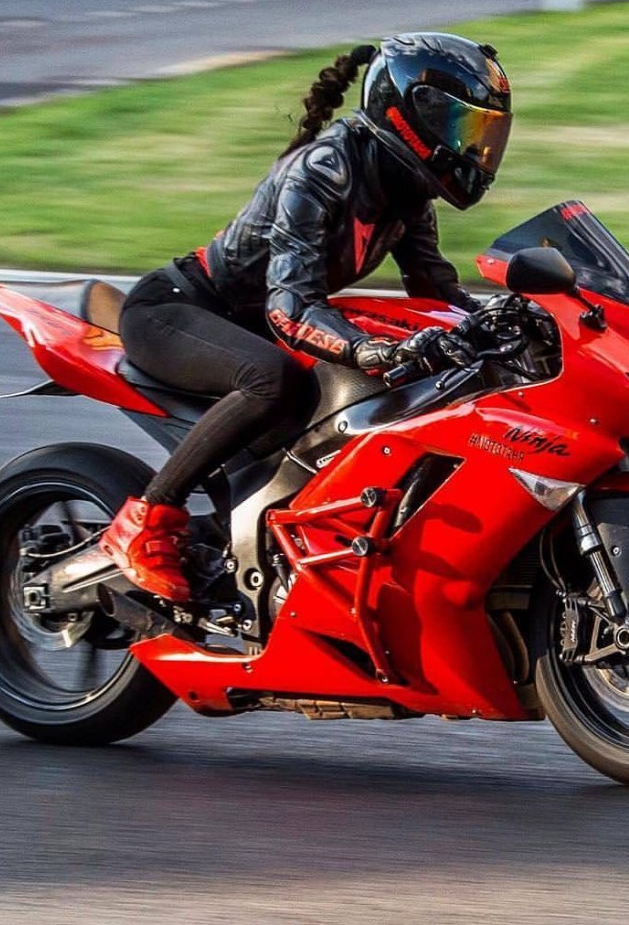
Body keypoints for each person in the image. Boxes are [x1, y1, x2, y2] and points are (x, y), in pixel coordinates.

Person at [100, 32, 513, 602]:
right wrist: (366, 347)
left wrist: (511, 317)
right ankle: (145, 519)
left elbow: (436, 292)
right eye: (461, 129)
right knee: (274, 380)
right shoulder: (326, 167)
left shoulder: (407, 194)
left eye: (484, 134)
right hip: (178, 309)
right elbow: (290, 306)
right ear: (410, 115)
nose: (474, 149)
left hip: (246, 326)